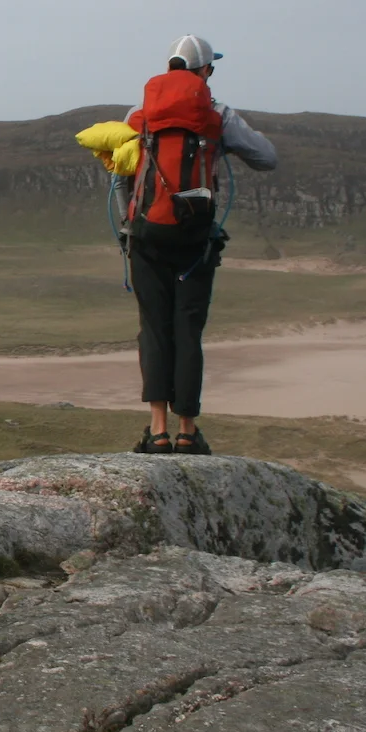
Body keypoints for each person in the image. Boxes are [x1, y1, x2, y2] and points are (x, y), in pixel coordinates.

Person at [115, 35, 277, 454]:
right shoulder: (218, 114)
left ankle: (157, 431)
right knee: (188, 330)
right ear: (206, 71)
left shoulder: (140, 113)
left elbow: (120, 172)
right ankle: (187, 432)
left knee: (154, 329)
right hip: (195, 239)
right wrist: (216, 147)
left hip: (146, 237)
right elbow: (266, 157)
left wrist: (127, 223)